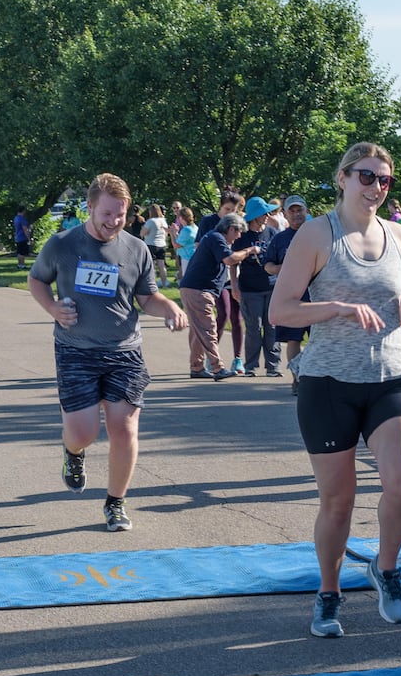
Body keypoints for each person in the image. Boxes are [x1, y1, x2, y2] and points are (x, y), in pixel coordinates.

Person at [269, 142, 401, 638]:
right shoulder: (317, 234)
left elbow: (400, 309)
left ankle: (386, 568)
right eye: (366, 177)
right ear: (341, 178)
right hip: (328, 382)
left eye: (384, 180)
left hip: (390, 377)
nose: (376, 188)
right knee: (338, 501)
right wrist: (334, 307)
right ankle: (329, 593)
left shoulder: (399, 235)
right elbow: (281, 312)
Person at [27, 173, 187, 532]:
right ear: (90, 207)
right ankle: (73, 453)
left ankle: (115, 503)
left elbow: (147, 298)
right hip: (75, 350)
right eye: (107, 214)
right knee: (83, 433)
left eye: (121, 215)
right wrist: (52, 307)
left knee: (124, 429)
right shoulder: (63, 244)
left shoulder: (136, 249)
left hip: (124, 351)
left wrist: (171, 309)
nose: (114, 222)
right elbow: (37, 279)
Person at [178, 212, 258, 380]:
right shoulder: (216, 238)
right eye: (238, 232)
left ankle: (197, 366)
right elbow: (229, 259)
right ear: (230, 229)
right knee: (208, 328)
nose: (239, 236)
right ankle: (217, 368)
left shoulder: (213, 238)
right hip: (199, 290)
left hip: (194, 289)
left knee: (197, 329)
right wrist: (249, 251)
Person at [263, 195, 310, 393]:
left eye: (300, 210)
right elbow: (267, 265)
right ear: (285, 214)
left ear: (306, 212)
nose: (296, 214)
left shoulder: (317, 233)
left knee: (321, 338)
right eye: (292, 210)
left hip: (318, 296)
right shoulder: (280, 239)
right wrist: (282, 268)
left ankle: (317, 378)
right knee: (293, 340)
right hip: (292, 297)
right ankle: (297, 378)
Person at [198, 189, 246, 373]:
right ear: (220, 206)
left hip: (231, 275)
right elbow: (199, 247)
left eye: (233, 210)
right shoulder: (209, 222)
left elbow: (236, 256)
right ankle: (212, 357)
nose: (229, 213)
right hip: (213, 277)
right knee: (223, 314)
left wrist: (235, 283)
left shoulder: (237, 224)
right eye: (227, 209)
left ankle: (237, 359)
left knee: (237, 318)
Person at [234, 197, 280, 376]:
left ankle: (273, 366)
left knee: (272, 326)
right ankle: (251, 366)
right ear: (254, 216)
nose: (268, 215)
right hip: (250, 289)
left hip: (272, 286)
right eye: (264, 213)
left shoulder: (272, 233)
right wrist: (235, 286)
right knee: (254, 327)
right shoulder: (243, 236)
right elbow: (233, 263)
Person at [140, 204, 171, 287]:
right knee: (161, 265)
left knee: (151, 265)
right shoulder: (163, 221)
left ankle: (151, 283)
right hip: (162, 244)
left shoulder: (150, 221)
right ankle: (164, 283)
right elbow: (166, 233)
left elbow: (142, 233)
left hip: (151, 244)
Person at [172, 205, 198, 276]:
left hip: (187, 258)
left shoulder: (186, 230)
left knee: (187, 281)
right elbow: (181, 241)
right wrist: (176, 233)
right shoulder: (194, 227)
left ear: (181, 217)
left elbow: (176, 245)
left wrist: (171, 233)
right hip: (193, 256)